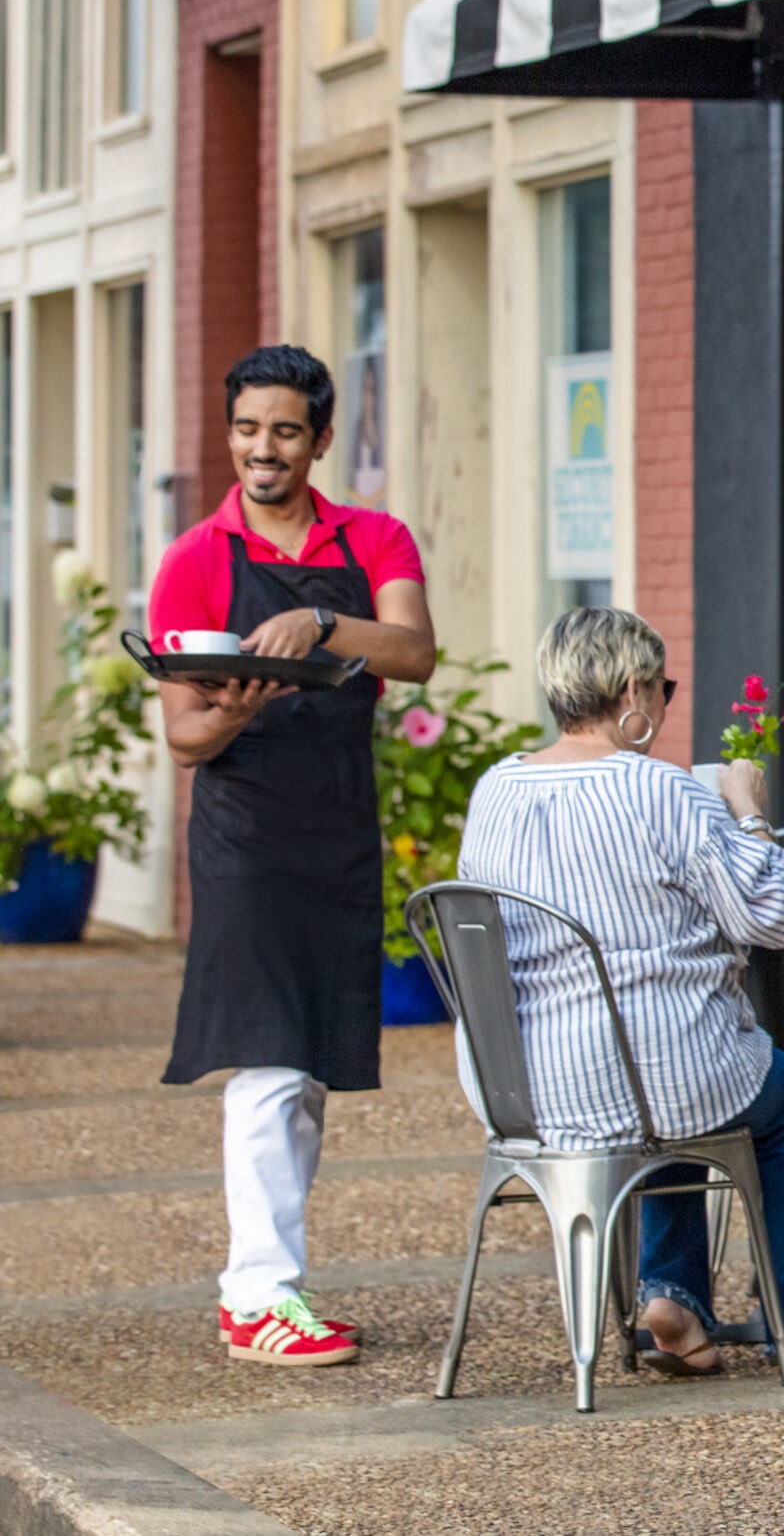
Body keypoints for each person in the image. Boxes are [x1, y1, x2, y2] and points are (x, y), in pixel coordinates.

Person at [455, 607, 784, 1374]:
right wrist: (749, 812)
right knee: (775, 1091)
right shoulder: (663, 791)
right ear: (630, 690)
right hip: (659, 1077)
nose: (663, 703)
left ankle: (676, 1299)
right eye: (663, 687)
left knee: (683, 1075)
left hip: (523, 1088)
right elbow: (777, 919)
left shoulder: (495, 790)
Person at [151, 346, 439, 1367]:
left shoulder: (375, 538)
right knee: (269, 1052)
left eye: (282, 431)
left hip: (338, 825)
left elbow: (412, 651)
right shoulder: (196, 558)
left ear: (320, 441)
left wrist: (321, 619)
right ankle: (255, 1292)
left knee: (309, 1060)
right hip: (244, 831)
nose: (260, 450)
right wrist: (227, 713)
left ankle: (278, 1282)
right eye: (245, 429)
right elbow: (182, 736)